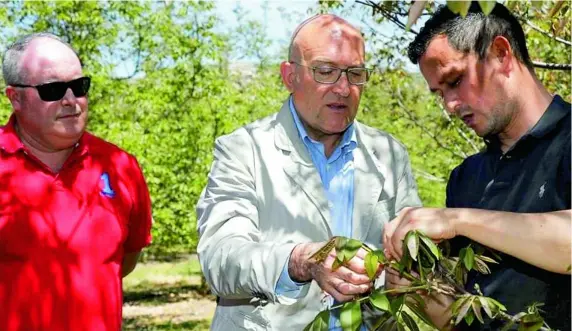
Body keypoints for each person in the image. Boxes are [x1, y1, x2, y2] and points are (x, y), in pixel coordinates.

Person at [196, 14, 421, 330]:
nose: (343, 88)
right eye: (326, 71)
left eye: (355, 73)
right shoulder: (243, 149)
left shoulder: (388, 153)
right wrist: (300, 261)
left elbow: (415, 259)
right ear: (290, 76)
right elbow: (220, 260)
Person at [383, 2, 571, 330]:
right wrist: (409, 280)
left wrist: (457, 220)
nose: (450, 106)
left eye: (454, 81)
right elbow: (455, 316)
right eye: (439, 94)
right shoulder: (466, 178)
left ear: (501, 53)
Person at [0, 32, 153, 331]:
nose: (71, 100)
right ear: (15, 97)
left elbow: (125, 259)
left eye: (79, 86)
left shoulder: (121, 167)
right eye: (53, 89)